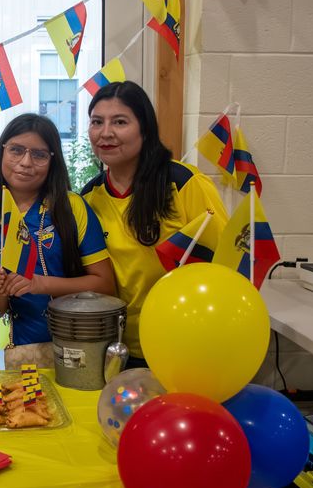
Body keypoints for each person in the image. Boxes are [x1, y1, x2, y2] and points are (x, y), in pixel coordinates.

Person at [80, 81, 227, 367]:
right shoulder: (88, 198)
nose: (105, 133)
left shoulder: (184, 183)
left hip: (185, 342)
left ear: (144, 130)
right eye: (97, 122)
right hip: (117, 348)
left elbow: (227, 264)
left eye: (120, 122)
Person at [0, 113, 116, 369]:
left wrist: (39, 284)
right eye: (16, 150)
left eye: (39, 154)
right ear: (2, 153)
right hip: (24, 351)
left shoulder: (71, 207)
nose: (25, 162)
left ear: (53, 162)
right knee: (29, 409)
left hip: (82, 343)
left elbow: (105, 285)